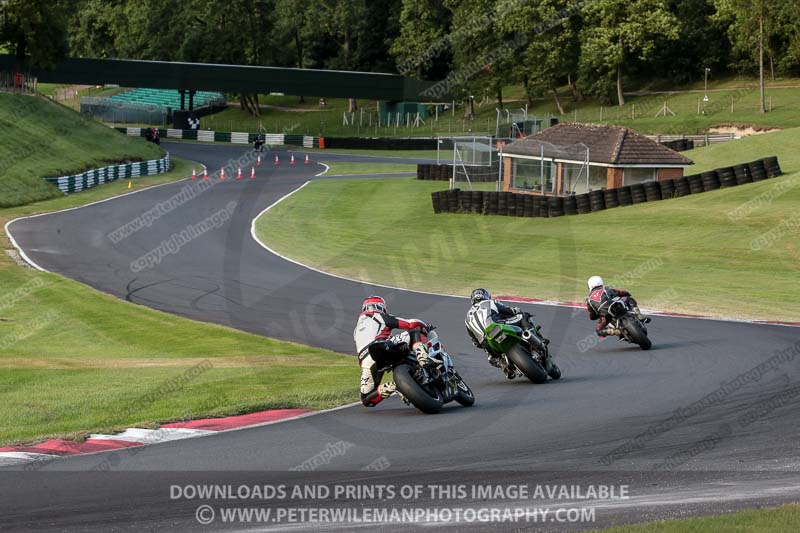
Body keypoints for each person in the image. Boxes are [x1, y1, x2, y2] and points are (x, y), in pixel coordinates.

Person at [353, 296, 433, 407]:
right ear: (381, 307)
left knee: (367, 399)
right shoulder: (378, 316)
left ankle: (394, 386)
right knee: (415, 331)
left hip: (366, 362)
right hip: (381, 346)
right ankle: (423, 358)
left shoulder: (356, 329)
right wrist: (425, 326)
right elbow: (410, 323)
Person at [465, 288, 543, 379]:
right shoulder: (490, 302)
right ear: (486, 296)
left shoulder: (467, 318)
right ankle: (537, 340)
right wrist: (517, 310)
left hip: (486, 341)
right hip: (498, 327)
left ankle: (504, 365)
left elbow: (475, 342)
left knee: (491, 358)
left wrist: (482, 344)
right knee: (523, 316)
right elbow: (510, 310)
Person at [585, 276, 649, 337]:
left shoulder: (588, 300)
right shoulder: (606, 288)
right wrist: (627, 293)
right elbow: (620, 292)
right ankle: (639, 315)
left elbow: (591, 316)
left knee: (599, 330)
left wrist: (598, 315)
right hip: (614, 305)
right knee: (629, 299)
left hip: (605, 315)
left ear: (590, 286)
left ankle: (616, 331)